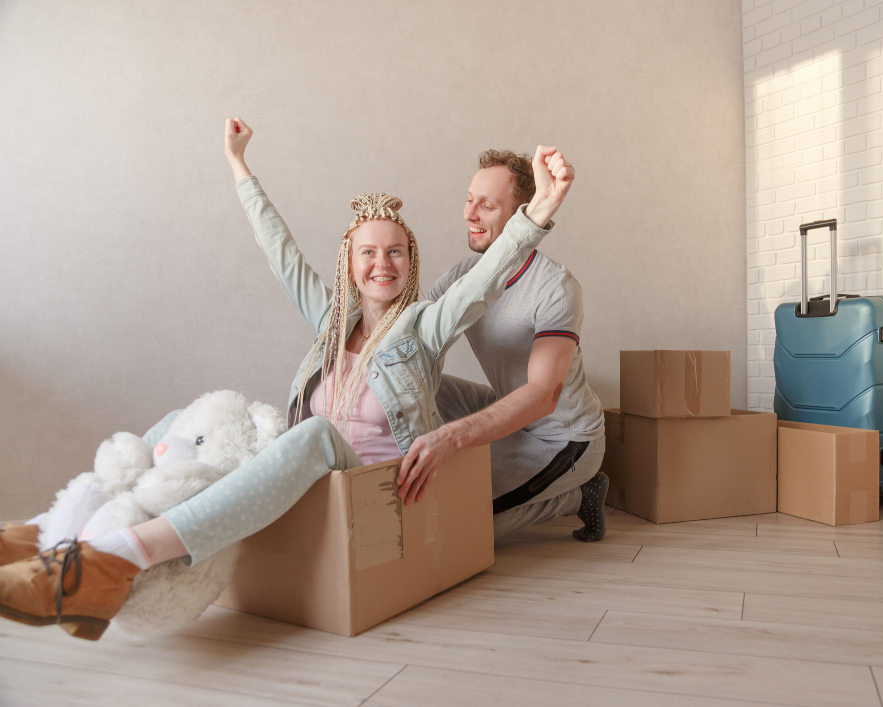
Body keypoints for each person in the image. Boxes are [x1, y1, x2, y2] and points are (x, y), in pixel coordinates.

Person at [0, 118, 575, 641]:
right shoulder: (330, 322)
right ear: (349, 263)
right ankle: (50, 528)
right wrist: (238, 165)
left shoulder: (424, 326)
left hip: (374, 483)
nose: (383, 264)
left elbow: (485, 281)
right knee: (190, 421)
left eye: (396, 252)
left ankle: (118, 558)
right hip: (311, 471)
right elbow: (280, 251)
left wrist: (540, 211)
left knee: (314, 433)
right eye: (369, 252)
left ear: (411, 261)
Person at [395, 150, 607, 543]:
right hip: (503, 404)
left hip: (560, 437)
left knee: (460, 525)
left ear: (521, 215)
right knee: (407, 378)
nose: (469, 213)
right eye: (469, 199)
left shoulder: (554, 287)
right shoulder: (464, 275)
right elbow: (414, 343)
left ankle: (580, 494)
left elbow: (543, 396)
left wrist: (453, 437)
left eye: (487, 205)